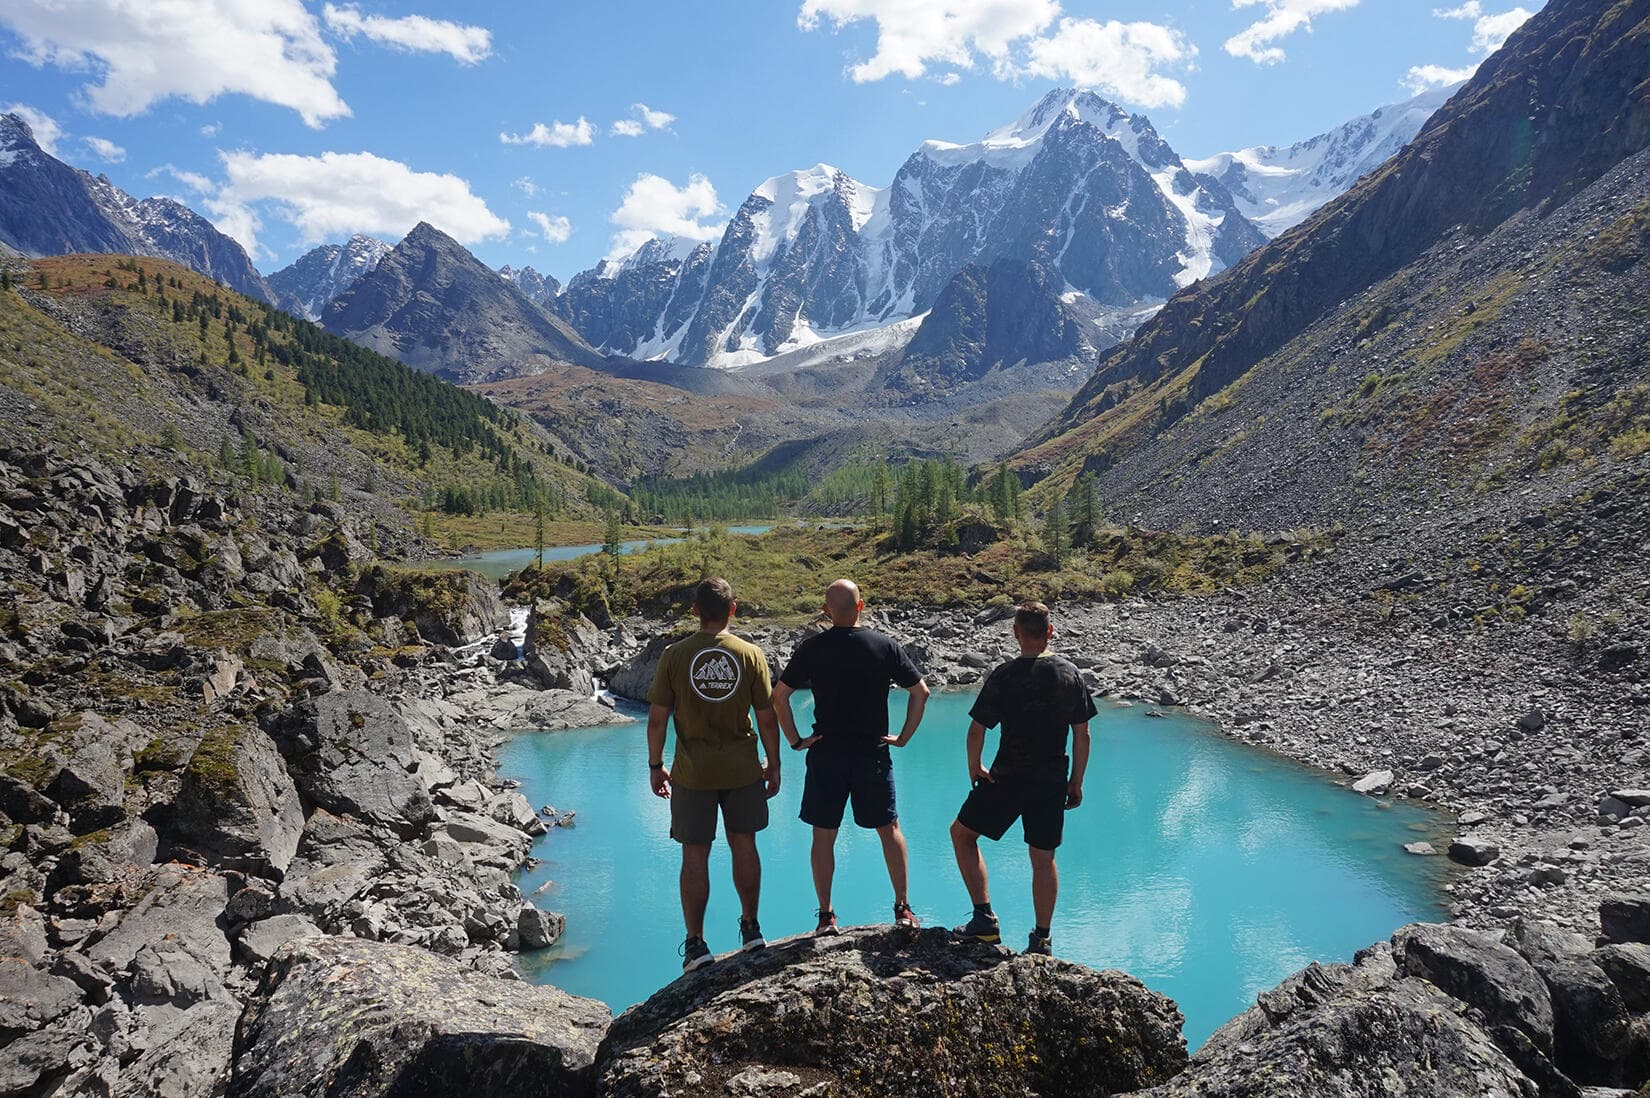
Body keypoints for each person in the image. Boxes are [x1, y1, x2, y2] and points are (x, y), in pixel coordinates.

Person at [773, 579, 929, 936]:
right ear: (861, 606)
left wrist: (796, 740)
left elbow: (779, 697)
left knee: (823, 834)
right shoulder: (884, 645)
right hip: (871, 752)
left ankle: (826, 916)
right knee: (889, 829)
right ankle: (903, 909)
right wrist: (903, 737)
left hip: (826, 753)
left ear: (827, 611)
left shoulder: (812, 648)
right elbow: (920, 693)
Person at [647, 577, 782, 972]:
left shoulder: (675, 654)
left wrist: (656, 766)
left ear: (695, 612)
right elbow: (767, 718)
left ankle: (695, 945)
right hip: (743, 770)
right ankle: (752, 930)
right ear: (732, 610)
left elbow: (657, 719)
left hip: (692, 773)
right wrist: (773, 764)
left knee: (694, 855)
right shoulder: (750, 654)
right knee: (745, 845)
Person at [950, 600, 1096, 956]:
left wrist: (975, 767)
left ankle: (984, 919)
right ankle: (1042, 940)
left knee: (962, 835)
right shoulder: (1069, 674)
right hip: (1050, 779)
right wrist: (1076, 781)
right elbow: (1082, 734)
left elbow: (976, 730)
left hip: (1007, 776)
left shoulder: (1004, 675)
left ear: (1015, 633)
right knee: (1043, 859)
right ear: (1050, 631)